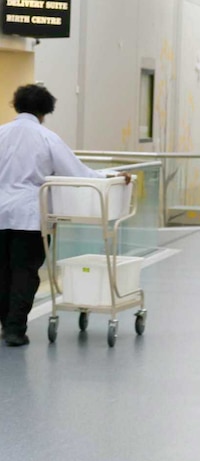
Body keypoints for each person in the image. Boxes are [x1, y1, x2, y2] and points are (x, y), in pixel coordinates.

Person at [0, 84, 127, 347]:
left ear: (16, 105)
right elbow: (77, 172)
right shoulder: (47, 138)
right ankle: (14, 329)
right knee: (25, 271)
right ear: (45, 111)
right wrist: (109, 176)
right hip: (30, 216)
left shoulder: (1, 133)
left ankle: (5, 324)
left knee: (2, 271)